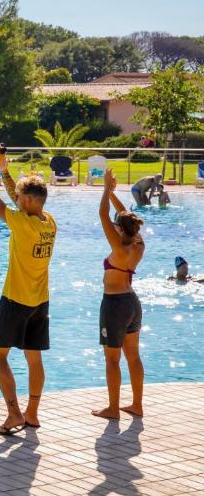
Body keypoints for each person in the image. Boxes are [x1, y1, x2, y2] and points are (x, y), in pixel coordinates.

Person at [0, 146, 56, 436]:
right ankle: (31, 413)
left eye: (20, 199)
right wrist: (5, 172)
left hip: (15, 300)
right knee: (34, 357)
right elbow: (18, 197)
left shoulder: (21, 223)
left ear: (26, 201)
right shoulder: (48, 221)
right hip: (40, 301)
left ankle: (13, 413)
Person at [92, 169, 146, 420]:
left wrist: (105, 190)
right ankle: (136, 405)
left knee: (112, 359)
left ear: (120, 229)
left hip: (114, 305)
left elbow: (103, 215)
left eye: (116, 225)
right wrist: (113, 194)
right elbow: (124, 216)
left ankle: (113, 409)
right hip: (132, 303)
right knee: (133, 356)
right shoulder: (138, 243)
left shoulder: (119, 247)